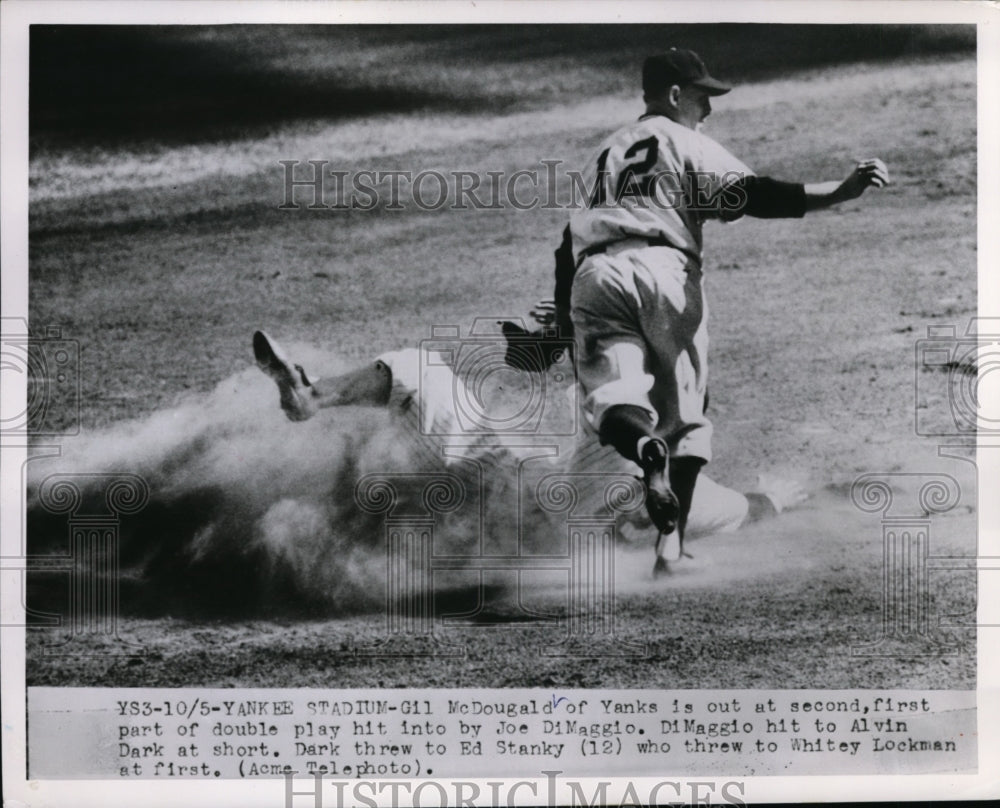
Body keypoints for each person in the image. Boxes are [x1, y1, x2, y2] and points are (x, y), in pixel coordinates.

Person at [564, 48, 888, 574]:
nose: (709, 109)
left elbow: (566, 248)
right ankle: (671, 548)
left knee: (614, 398)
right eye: (702, 97)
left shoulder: (602, 155)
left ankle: (642, 445)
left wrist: (567, 320)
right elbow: (753, 194)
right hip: (663, 271)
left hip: (594, 276)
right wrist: (840, 192)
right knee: (686, 417)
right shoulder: (683, 141)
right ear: (674, 95)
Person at [252, 331, 806, 546]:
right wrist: (782, 499)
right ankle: (313, 401)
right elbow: (753, 510)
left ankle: (316, 402)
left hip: (492, 483)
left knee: (416, 372)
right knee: (418, 380)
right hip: (504, 514)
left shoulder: (609, 404)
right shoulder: (692, 495)